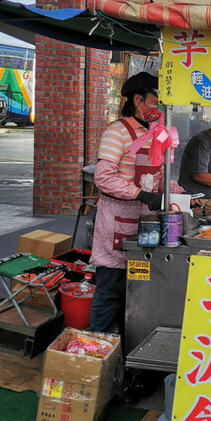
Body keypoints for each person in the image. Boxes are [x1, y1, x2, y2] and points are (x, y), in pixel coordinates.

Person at [90, 72, 166, 336]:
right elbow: (103, 178)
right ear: (138, 100)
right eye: (155, 99)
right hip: (116, 225)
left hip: (144, 227)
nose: (159, 106)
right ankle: (98, 347)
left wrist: (178, 194)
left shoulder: (155, 134)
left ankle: (125, 350)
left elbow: (159, 176)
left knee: (135, 296)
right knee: (111, 292)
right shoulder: (117, 132)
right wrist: (139, 193)